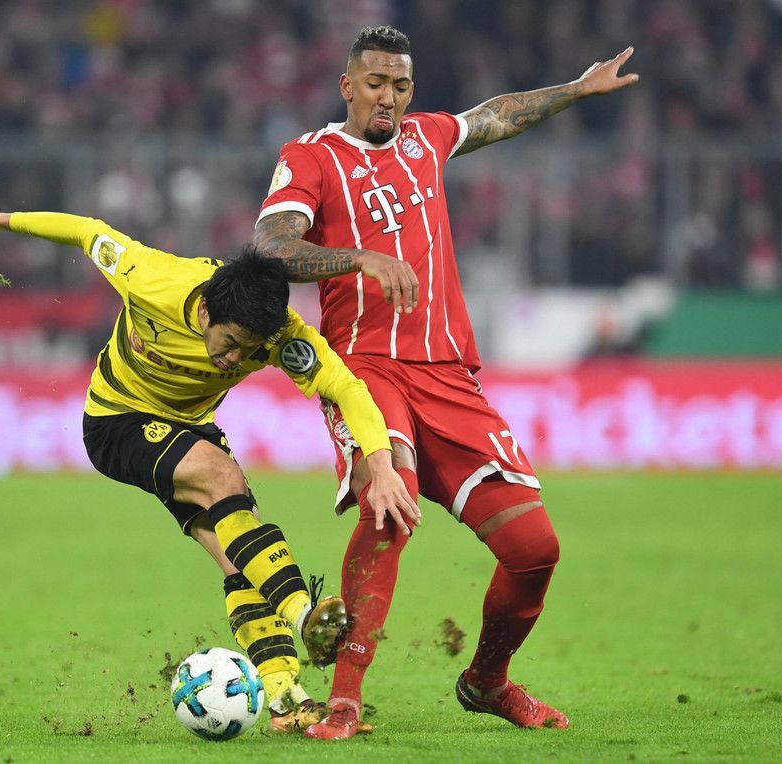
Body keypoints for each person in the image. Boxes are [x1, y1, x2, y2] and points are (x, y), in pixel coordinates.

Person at [253, 25, 638, 738]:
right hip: (365, 368)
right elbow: (270, 247)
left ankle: (487, 681)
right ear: (347, 86)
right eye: (375, 83)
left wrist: (577, 90)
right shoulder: (311, 156)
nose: (388, 97)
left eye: (400, 86)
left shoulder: (427, 139)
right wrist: (357, 258)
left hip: (448, 374)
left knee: (534, 551)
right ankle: (344, 699)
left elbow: (496, 115)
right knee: (387, 505)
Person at [0, 200, 419, 733]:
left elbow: (346, 387)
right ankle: (305, 617)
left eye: (248, 352)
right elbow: (86, 231)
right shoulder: (152, 277)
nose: (234, 359)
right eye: (230, 343)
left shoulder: (282, 334)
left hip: (188, 428)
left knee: (242, 557)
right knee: (223, 478)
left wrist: (382, 465)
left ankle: (286, 699)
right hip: (117, 420)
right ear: (208, 313)